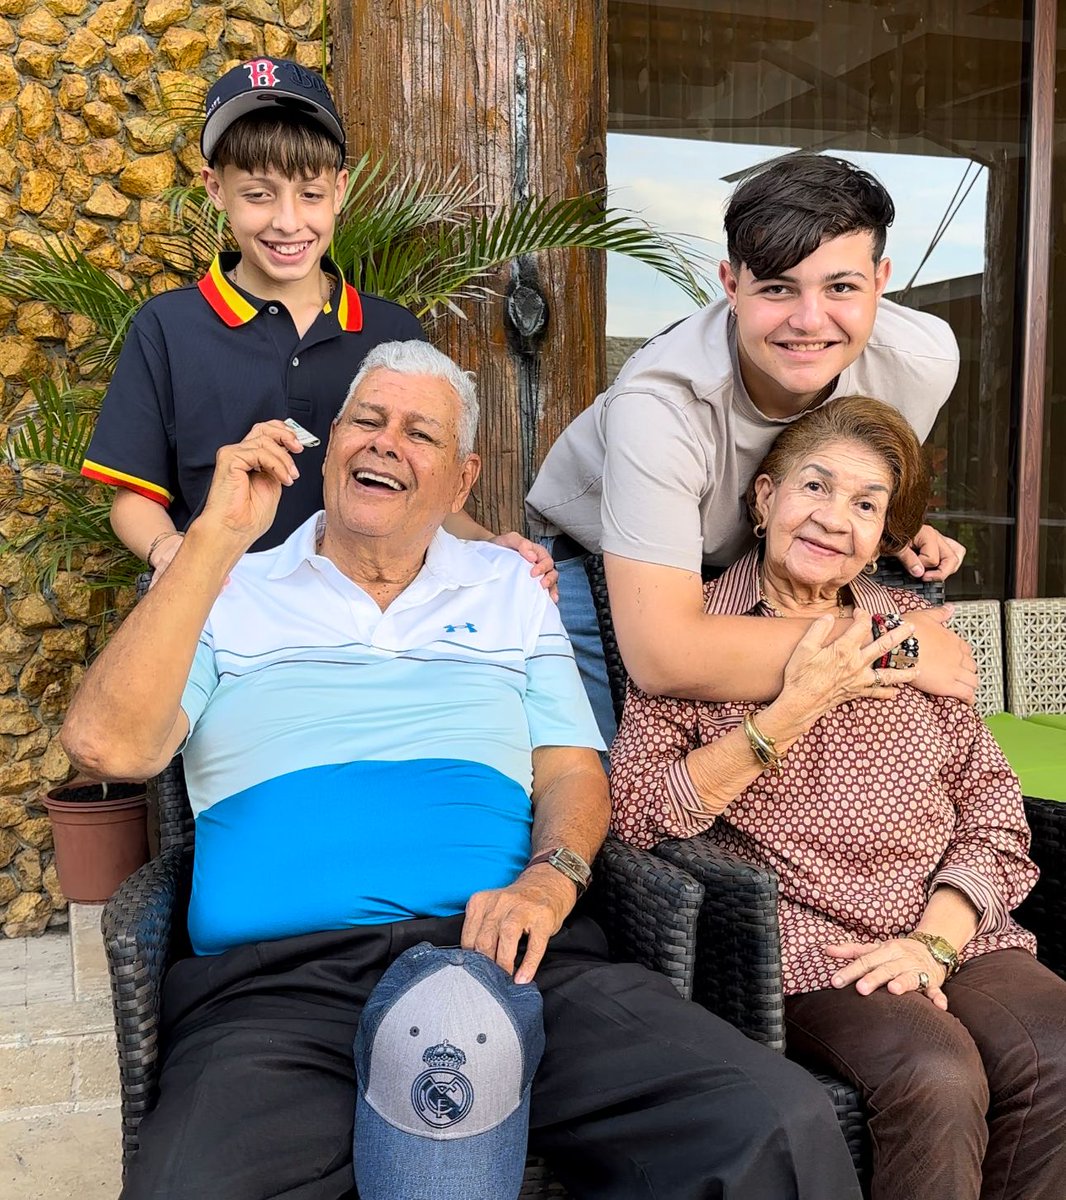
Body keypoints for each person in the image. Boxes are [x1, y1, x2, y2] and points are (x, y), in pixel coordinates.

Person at [62, 340, 862, 1200]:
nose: (383, 442)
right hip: (277, 993)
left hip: (511, 958)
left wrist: (551, 881)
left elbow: (569, 772)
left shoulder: (509, 588)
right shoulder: (225, 588)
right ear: (328, 446)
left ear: (462, 480)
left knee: (773, 1121)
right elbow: (109, 747)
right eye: (365, 421)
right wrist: (212, 543)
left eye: (419, 433)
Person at [610, 395, 1066, 1200]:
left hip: (947, 922)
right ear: (764, 499)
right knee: (936, 1074)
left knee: (1057, 1047)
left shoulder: (911, 628)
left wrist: (936, 938)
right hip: (812, 944)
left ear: (884, 535)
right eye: (814, 488)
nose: (833, 520)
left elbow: (993, 802)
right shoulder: (696, 636)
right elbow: (637, 813)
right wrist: (788, 712)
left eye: (865, 505)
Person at [526, 152, 975, 743]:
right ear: (732, 286)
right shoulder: (661, 405)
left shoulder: (923, 361)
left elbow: (857, 469)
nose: (810, 321)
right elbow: (664, 655)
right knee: (627, 796)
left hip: (767, 566)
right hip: (609, 568)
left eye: (841, 286)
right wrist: (900, 647)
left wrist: (889, 523)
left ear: (881, 281)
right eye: (777, 288)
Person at [80, 57, 554, 591]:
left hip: (368, 614)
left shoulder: (394, 331)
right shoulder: (167, 325)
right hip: (223, 609)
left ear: (341, 189)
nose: (287, 221)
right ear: (215, 189)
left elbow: (425, 493)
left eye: (310, 194)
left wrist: (492, 547)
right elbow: (135, 496)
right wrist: (170, 552)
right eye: (258, 194)